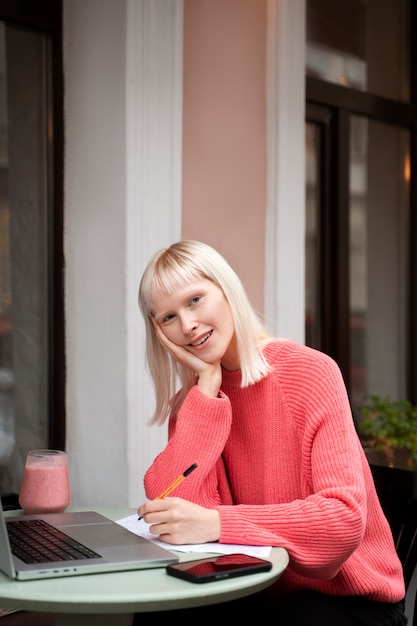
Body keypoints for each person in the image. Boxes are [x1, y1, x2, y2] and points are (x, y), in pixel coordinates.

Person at [135, 240, 407, 625]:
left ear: (226, 289)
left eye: (195, 300)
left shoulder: (311, 372)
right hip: (254, 590)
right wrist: (207, 387)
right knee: (157, 617)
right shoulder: (195, 404)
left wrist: (217, 524)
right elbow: (183, 535)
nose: (187, 325)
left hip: (348, 599)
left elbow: (341, 521)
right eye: (167, 318)